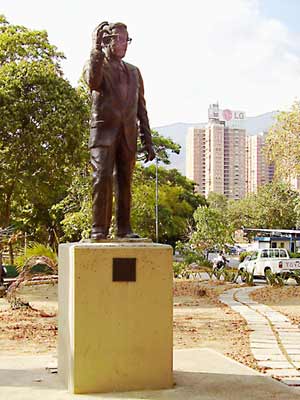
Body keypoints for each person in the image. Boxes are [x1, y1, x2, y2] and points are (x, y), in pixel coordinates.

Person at [84, 22, 155, 240]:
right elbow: (92, 82)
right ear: (107, 41)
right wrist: (95, 49)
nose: (125, 45)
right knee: (101, 179)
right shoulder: (96, 63)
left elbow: (140, 107)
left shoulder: (134, 72)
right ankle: (99, 228)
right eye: (121, 39)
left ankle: (124, 228)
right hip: (103, 134)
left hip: (128, 134)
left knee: (125, 182)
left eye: (127, 40)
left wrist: (147, 140)